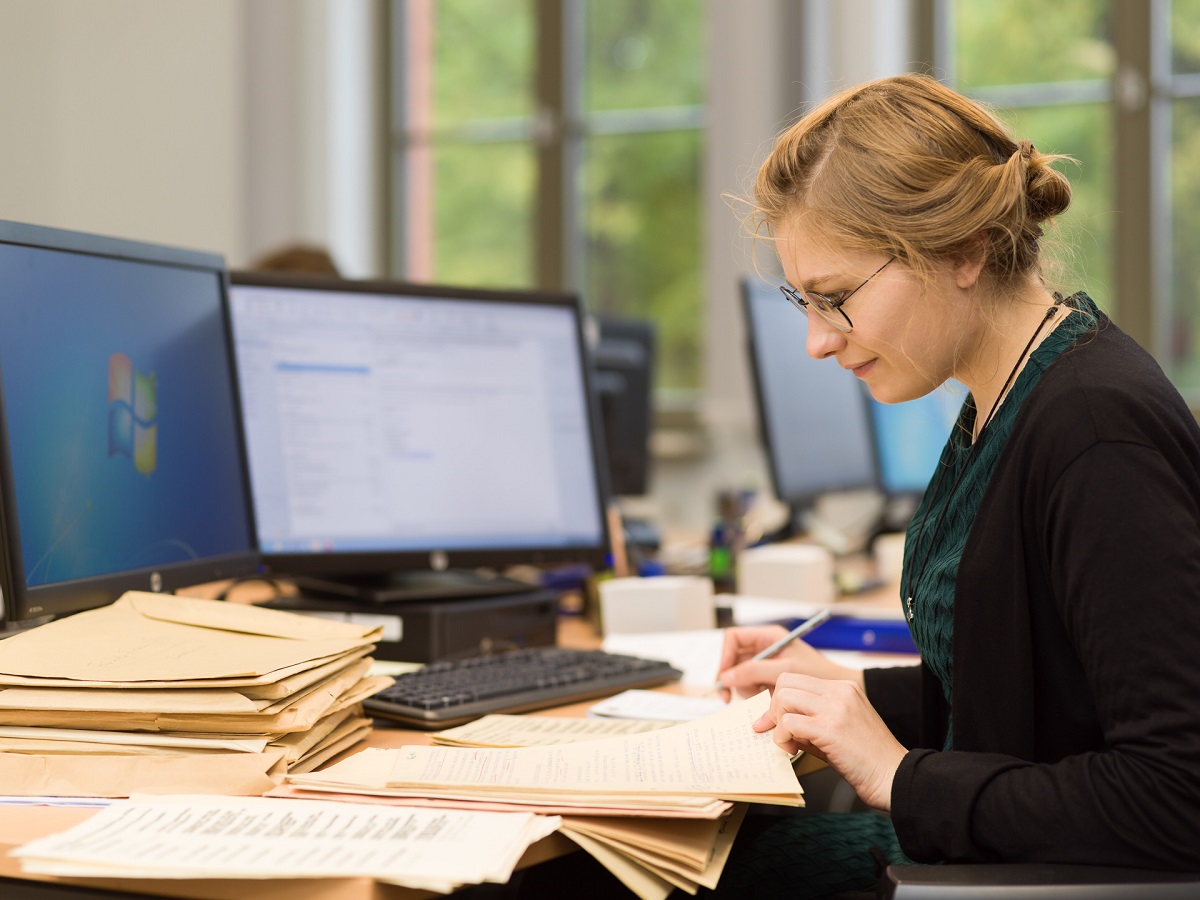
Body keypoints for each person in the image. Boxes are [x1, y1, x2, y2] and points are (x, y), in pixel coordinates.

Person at [708, 72, 1200, 898]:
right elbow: (1035, 694)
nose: (816, 343)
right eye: (804, 301)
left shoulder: (1093, 429)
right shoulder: (1006, 398)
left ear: (964, 251)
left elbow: (1178, 794)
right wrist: (845, 693)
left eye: (837, 300)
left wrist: (896, 775)